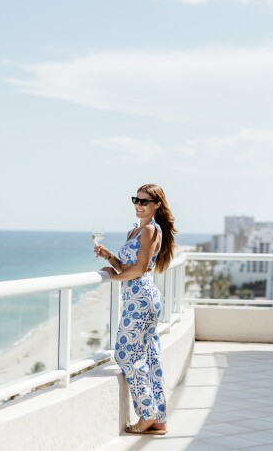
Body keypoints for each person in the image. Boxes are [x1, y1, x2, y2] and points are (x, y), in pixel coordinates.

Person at [94, 183, 177, 435]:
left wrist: (111, 278)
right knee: (150, 357)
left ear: (156, 205)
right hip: (139, 297)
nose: (138, 205)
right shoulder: (135, 231)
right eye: (136, 200)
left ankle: (147, 414)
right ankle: (159, 418)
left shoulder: (151, 230)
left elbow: (139, 270)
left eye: (144, 202)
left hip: (140, 298)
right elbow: (127, 268)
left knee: (126, 355)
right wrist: (110, 259)